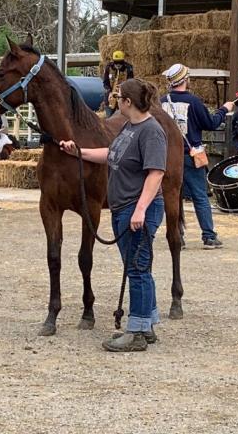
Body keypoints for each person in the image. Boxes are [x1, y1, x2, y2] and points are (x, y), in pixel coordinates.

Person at [58, 78, 167, 353]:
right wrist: (79, 152)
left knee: (137, 269)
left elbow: (156, 173)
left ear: (128, 102)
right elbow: (111, 153)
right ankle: (147, 323)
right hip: (125, 207)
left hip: (137, 207)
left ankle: (137, 331)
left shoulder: (151, 131)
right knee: (138, 266)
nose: (115, 100)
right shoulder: (130, 127)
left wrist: (141, 208)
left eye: (119, 97)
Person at [161, 63, 234, 249]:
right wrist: (224, 109)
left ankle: (177, 235)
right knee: (200, 197)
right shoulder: (193, 102)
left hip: (167, 157)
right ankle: (208, 236)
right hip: (190, 155)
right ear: (185, 80)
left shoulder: (161, 102)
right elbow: (211, 123)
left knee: (172, 196)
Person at [102, 50, 135, 117]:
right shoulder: (108, 67)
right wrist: (109, 91)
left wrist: (122, 89)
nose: (118, 64)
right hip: (110, 97)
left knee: (124, 118)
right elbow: (105, 82)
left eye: (120, 62)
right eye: (116, 62)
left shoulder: (128, 68)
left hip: (123, 96)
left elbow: (131, 82)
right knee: (110, 118)